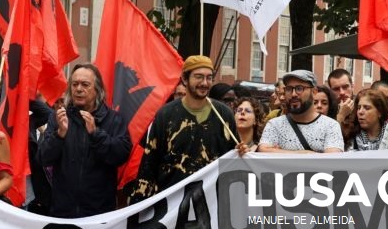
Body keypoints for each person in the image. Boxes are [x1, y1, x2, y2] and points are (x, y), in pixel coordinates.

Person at [129, 55, 237, 203]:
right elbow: (150, 163)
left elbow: (232, 160)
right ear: (185, 79)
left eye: (209, 77)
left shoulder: (224, 114)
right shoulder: (166, 114)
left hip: (210, 204)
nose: (204, 83)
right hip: (171, 205)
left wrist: (242, 152)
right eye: (198, 77)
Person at [38, 63, 131, 217]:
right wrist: (60, 134)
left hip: (99, 214)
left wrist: (96, 134)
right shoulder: (59, 118)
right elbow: (43, 158)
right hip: (63, 213)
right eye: (74, 84)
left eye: (85, 84)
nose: (79, 89)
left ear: (97, 90)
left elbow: (121, 155)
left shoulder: (113, 120)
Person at [257, 69, 344, 154]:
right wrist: (303, 154)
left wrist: (279, 152)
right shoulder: (274, 125)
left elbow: (331, 160)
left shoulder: (330, 126)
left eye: (299, 88)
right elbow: (263, 150)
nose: (293, 94)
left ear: (314, 92)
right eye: (289, 89)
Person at [327, 68, 355, 141]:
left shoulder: (362, 106)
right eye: (336, 89)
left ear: (352, 86)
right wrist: (341, 115)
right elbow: (327, 138)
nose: (342, 92)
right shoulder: (326, 110)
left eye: (345, 87)